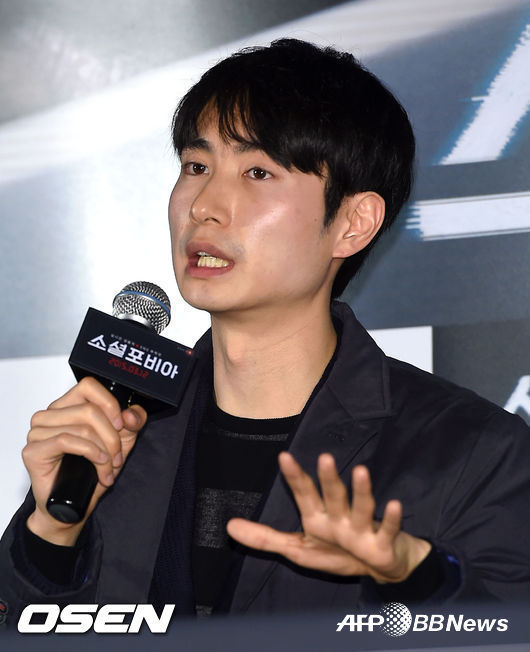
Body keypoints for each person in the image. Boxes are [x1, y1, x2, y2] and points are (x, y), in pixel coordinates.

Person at [1, 38, 529, 627]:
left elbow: (505, 626)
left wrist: (416, 578)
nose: (205, 205)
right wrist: (51, 534)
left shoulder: (472, 451)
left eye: (257, 172)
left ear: (353, 223)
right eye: (196, 167)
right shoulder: (117, 433)